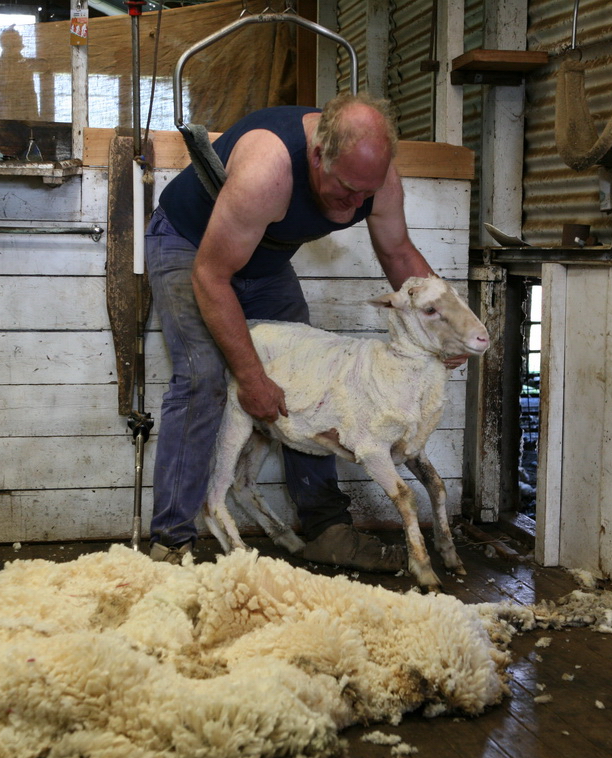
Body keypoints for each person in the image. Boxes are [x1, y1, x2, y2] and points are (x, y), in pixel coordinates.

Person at [145, 92, 456, 571]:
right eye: (346, 188)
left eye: (365, 195)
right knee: (202, 376)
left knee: (309, 374)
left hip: (265, 257)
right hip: (191, 246)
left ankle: (326, 530)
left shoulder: (375, 181)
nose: (356, 203)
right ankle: (171, 541)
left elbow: (398, 254)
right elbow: (211, 276)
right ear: (318, 155)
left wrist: (446, 330)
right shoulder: (268, 169)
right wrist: (251, 377)